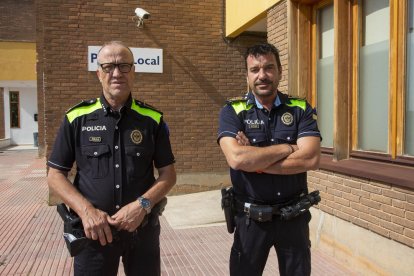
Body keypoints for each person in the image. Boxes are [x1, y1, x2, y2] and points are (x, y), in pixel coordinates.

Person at [47, 41, 176, 276]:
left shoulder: (152, 119)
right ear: (99, 73)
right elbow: (55, 175)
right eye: (108, 67)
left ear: (133, 72)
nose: (116, 73)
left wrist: (142, 206)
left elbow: (168, 174)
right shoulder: (77, 118)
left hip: (142, 232)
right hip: (94, 234)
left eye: (124, 66)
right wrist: (87, 211)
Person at [217, 42, 321, 276]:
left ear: (280, 71)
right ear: (247, 75)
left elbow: (311, 158)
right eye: (255, 70)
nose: (262, 75)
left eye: (269, 68)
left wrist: (256, 162)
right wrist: (289, 147)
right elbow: (236, 158)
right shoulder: (232, 111)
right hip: (250, 220)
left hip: (293, 217)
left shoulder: (300, 108)